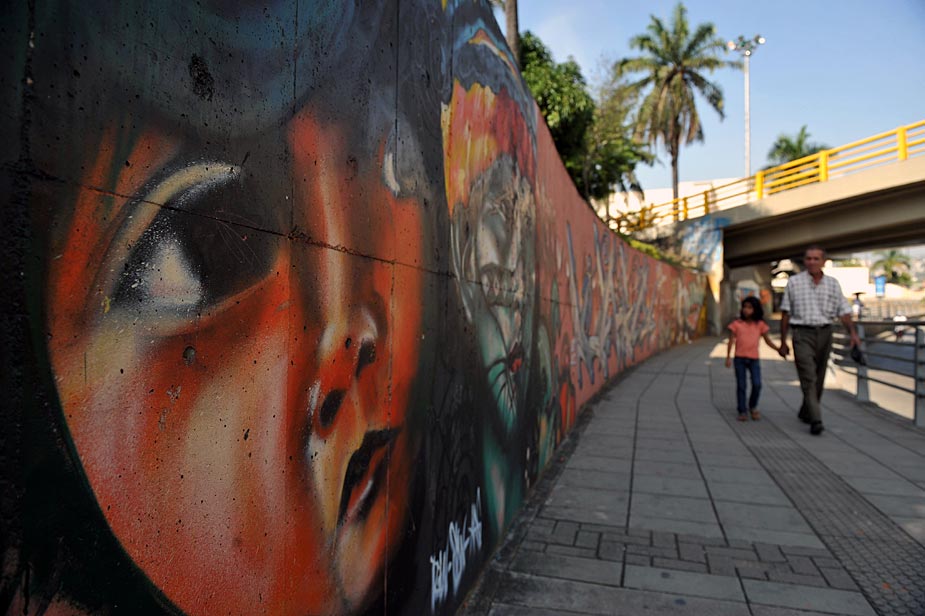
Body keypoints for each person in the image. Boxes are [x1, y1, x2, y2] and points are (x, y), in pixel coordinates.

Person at [778, 245, 861, 435]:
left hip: (825, 332)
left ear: (823, 261)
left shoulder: (833, 284)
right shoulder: (794, 282)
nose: (812, 262)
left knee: (819, 377)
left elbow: (844, 312)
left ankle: (805, 410)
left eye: (816, 259)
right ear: (804, 261)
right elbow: (785, 314)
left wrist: (853, 334)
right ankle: (816, 419)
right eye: (808, 258)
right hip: (801, 333)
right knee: (808, 376)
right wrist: (782, 342)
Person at [726, 296, 781, 421]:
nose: (746, 310)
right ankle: (742, 410)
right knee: (741, 385)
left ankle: (752, 406)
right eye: (745, 307)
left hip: (754, 360)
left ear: (755, 309)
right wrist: (728, 357)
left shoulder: (760, 325)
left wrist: (779, 349)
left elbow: (767, 341)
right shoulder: (737, 324)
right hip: (739, 359)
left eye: (750, 307)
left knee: (757, 384)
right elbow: (731, 341)